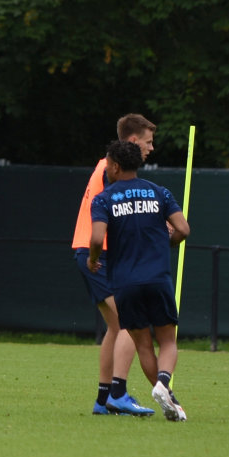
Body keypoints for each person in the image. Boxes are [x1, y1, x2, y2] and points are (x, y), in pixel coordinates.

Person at [88, 140, 190, 421]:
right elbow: (183, 229)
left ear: (116, 166)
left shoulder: (104, 198)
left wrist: (92, 258)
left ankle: (164, 394)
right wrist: (170, 241)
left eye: (107, 163)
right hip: (157, 278)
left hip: (124, 283)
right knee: (167, 341)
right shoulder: (159, 192)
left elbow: (97, 237)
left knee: (143, 344)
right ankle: (163, 384)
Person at [72, 113, 162, 416]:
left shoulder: (108, 167)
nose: (151, 149)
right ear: (133, 142)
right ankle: (118, 393)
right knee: (131, 323)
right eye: (148, 142)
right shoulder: (111, 169)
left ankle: (103, 399)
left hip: (97, 253)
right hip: (97, 254)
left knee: (116, 326)